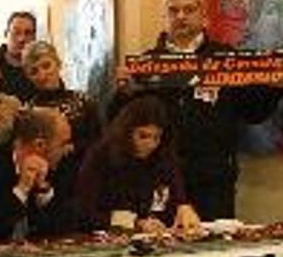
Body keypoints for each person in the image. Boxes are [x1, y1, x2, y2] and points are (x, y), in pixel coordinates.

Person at [109, 0, 283, 219]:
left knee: (212, 248)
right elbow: (117, 123)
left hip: (213, 178)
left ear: (204, 17)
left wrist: (275, 88)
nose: (181, 16)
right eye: (173, 11)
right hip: (157, 176)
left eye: (189, 10)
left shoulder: (225, 59)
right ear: (165, 19)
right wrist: (123, 92)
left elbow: (253, 112)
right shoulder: (146, 65)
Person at [76, 95, 201, 234]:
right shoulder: (100, 156)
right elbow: (86, 213)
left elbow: (177, 198)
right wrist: (134, 223)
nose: (150, 144)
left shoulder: (163, 156)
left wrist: (184, 209)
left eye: (156, 137)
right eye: (143, 136)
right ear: (126, 132)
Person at [0, 108, 80, 242]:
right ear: (40, 145)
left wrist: (44, 192)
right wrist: (21, 190)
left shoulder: (60, 167)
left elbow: (69, 227)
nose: (70, 149)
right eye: (63, 143)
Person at [22, 40, 103, 157]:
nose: (42, 75)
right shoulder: (28, 111)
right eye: (34, 71)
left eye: (46, 66)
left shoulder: (82, 101)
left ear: (58, 64)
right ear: (28, 77)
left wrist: (72, 147)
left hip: (85, 170)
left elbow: (100, 141)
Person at [0, 11, 38, 102]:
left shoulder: (42, 66)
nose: (21, 39)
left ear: (34, 37)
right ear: (6, 34)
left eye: (28, 33)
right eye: (16, 32)